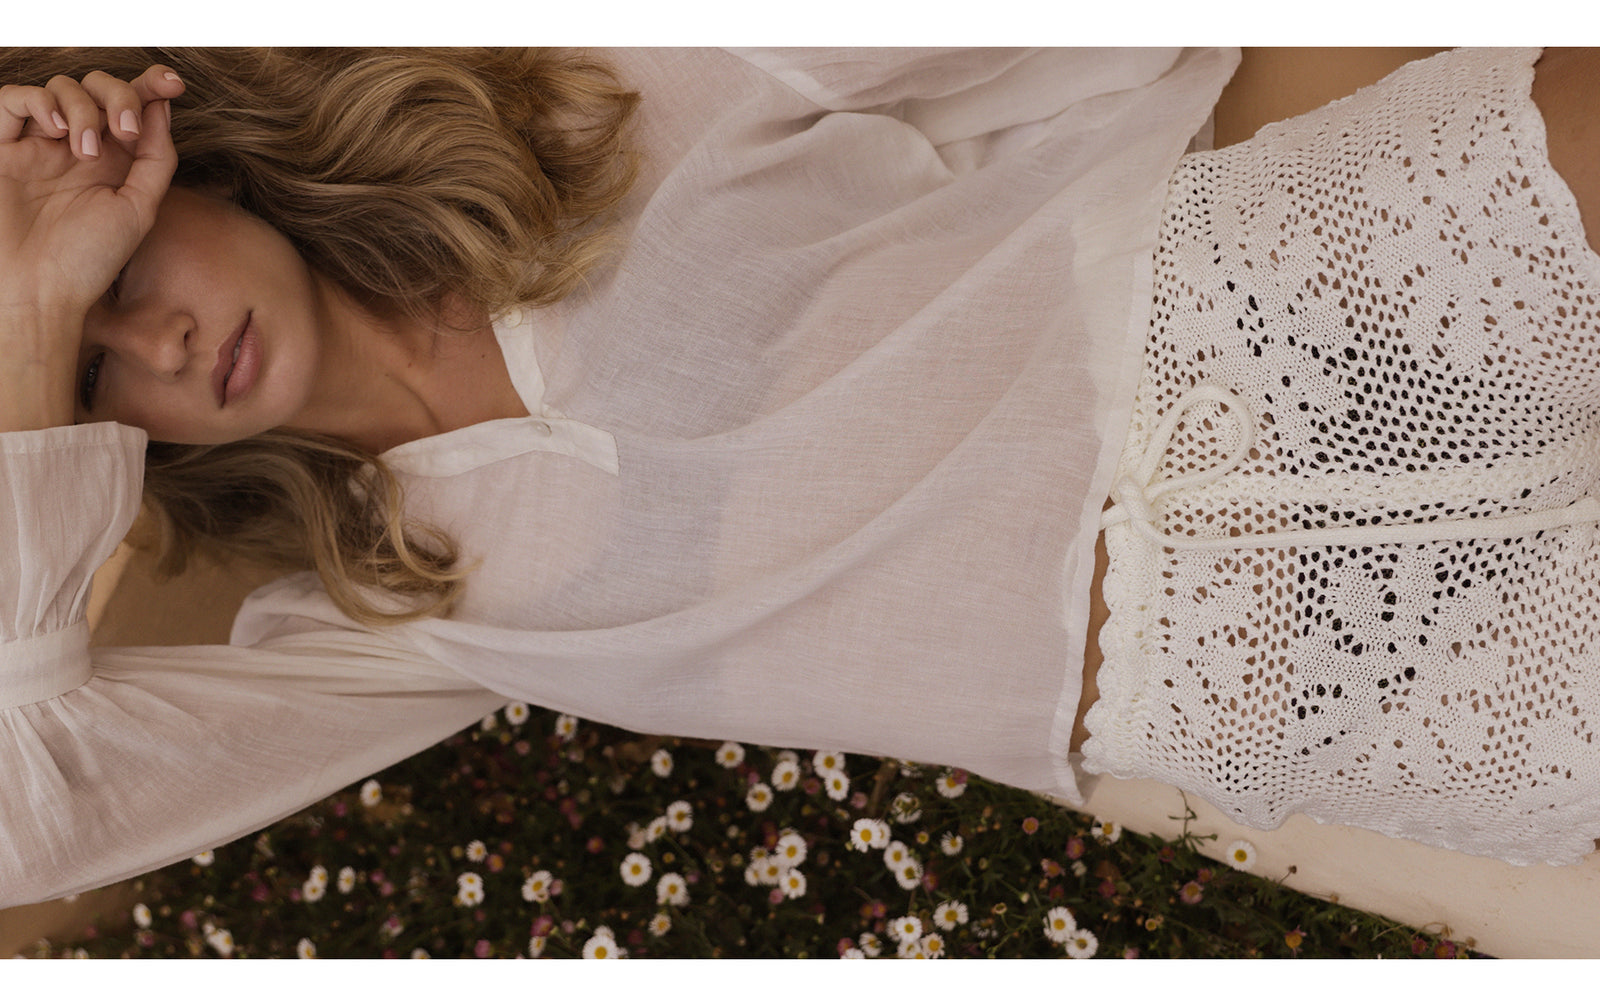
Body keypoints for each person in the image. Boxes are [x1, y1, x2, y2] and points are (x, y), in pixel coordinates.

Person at [1, 48, 1594, 910]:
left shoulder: (577, 107)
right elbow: (30, 815)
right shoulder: (373, 617)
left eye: (129, 266)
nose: (161, 341)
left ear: (175, 157)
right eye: (92, 360)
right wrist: (33, 314)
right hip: (1312, 685)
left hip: (1306, 292)